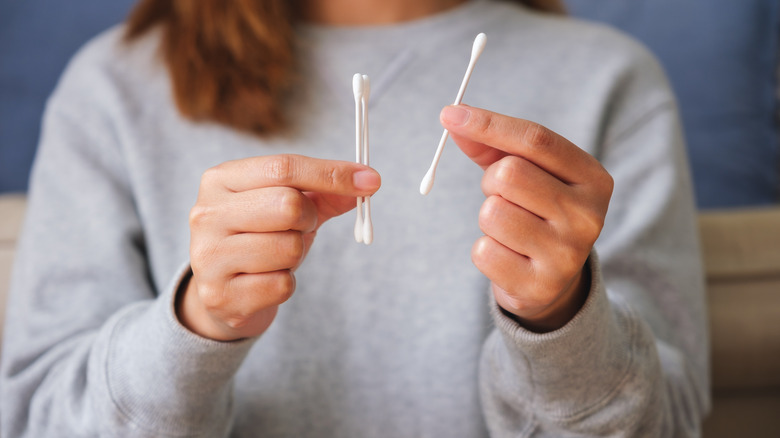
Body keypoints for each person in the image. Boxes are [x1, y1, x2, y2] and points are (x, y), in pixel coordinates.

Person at [0, 0, 709, 436]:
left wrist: (560, 321)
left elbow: (665, 426)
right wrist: (194, 324)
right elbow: (34, 421)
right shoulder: (116, 89)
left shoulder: (608, 80)